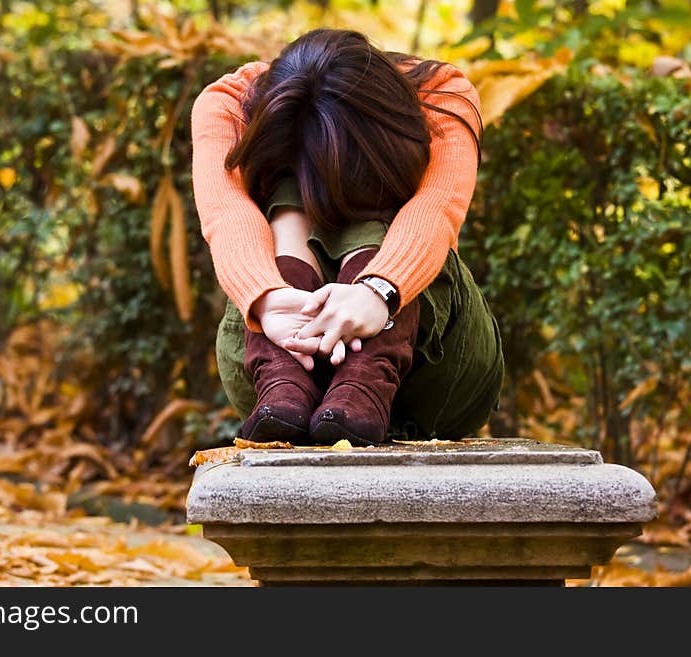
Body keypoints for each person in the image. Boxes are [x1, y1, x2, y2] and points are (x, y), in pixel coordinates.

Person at [190, 28, 504, 445]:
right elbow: (226, 213)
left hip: (437, 375)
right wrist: (267, 297)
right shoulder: (232, 104)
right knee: (295, 187)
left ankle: (367, 378)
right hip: (277, 389)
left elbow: (436, 210)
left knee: (362, 188)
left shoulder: (440, 93)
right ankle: (285, 377)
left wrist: (379, 291)